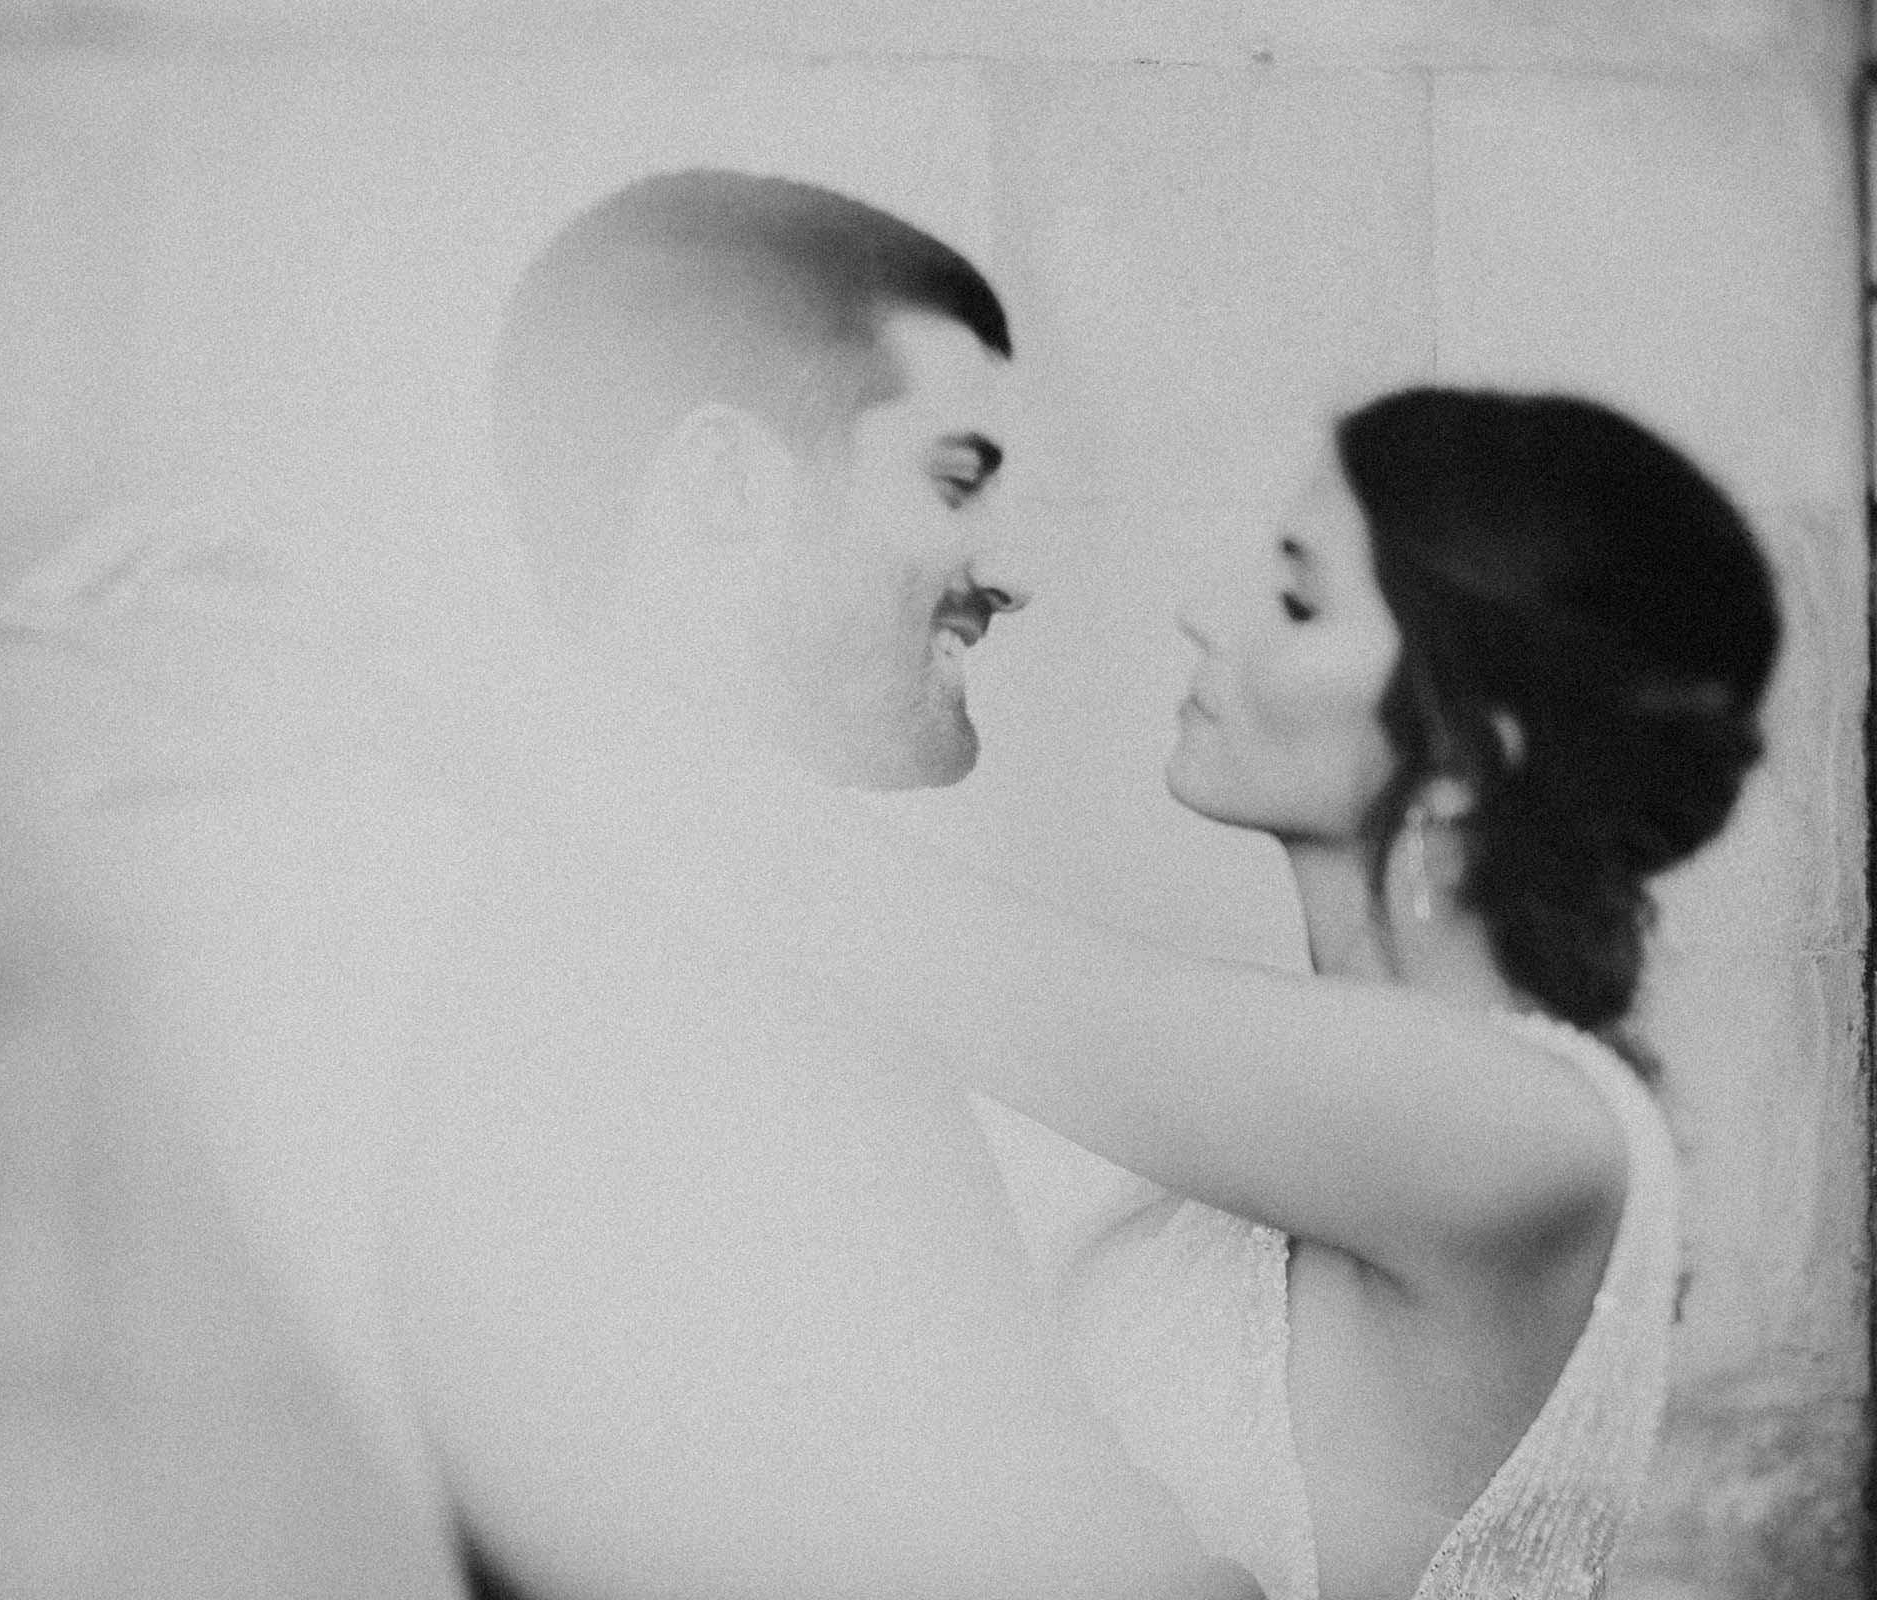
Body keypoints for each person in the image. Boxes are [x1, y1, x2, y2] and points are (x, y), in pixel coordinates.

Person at [747, 387, 1778, 1598]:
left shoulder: (1524, 1128)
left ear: (1460, 756)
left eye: (1299, 597)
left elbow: (846, 911)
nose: (1202, 617)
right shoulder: (1349, 1115)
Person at [394, 167, 1256, 1600]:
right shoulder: (677, 985)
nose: (1012, 574)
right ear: (729, 482)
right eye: (956, 477)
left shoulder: (619, 923)